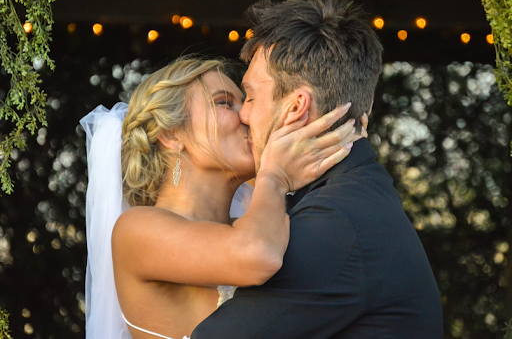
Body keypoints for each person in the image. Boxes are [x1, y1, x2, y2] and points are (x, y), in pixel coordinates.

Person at [192, 0, 444, 338]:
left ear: (296, 107)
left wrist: (273, 177)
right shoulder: (357, 191)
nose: (244, 114)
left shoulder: (335, 219)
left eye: (250, 96)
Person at [81, 57, 367, 339]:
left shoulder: (256, 224)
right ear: (171, 134)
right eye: (224, 102)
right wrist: (274, 176)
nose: (247, 116)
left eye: (246, 102)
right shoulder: (136, 230)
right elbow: (257, 256)